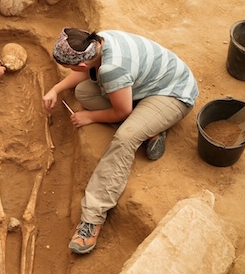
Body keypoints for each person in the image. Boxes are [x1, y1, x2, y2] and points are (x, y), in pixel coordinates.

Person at [42, 27, 199, 255]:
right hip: (147, 86)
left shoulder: (112, 68)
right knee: (84, 93)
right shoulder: (98, 42)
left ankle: (92, 218)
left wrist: (90, 117)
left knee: (125, 137)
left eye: (68, 67)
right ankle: (149, 126)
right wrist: (56, 89)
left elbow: (122, 111)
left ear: (82, 63)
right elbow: (86, 74)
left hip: (173, 94)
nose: (68, 70)